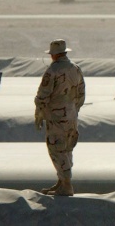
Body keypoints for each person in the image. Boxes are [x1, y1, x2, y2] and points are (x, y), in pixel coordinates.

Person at [34, 39, 86, 197]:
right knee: (67, 148)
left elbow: (43, 94)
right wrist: (73, 110)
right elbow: (81, 93)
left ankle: (66, 185)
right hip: (71, 115)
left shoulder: (53, 71)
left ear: (54, 55)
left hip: (57, 117)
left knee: (56, 149)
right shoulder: (75, 69)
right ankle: (62, 181)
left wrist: (39, 112)